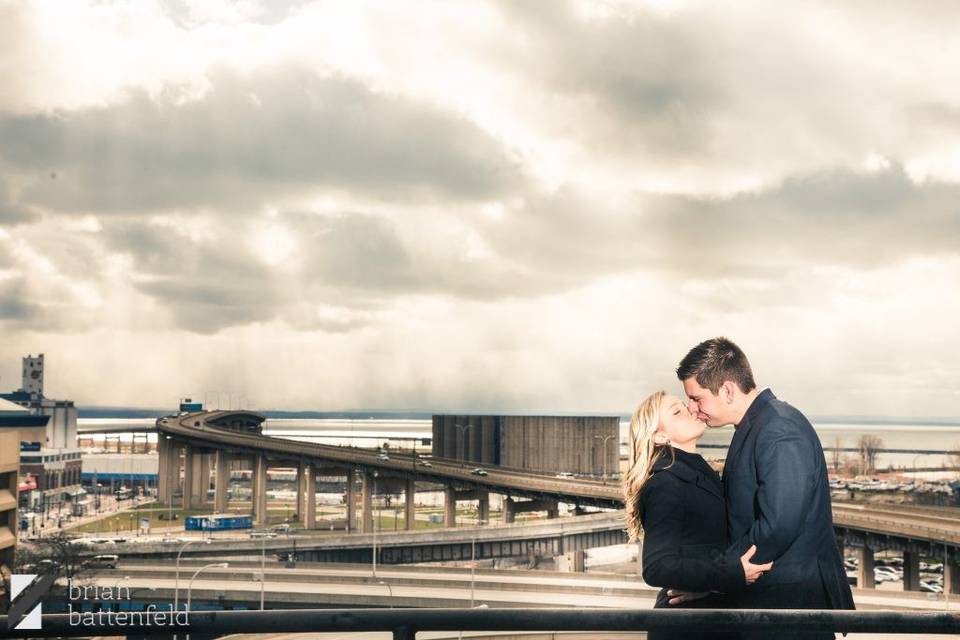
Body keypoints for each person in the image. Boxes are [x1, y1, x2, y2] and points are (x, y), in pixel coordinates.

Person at [671, 337, 855, 640]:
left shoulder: (779, 428)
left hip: (790, 609)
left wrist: (718, 577)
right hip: (775, 606)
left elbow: (779, 525)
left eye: (697, 398)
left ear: (728, 390)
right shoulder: (759, 424)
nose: (693, 408)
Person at [623, 390, 772, 640]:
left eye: (686, 405)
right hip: (685, 627)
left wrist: (709, 585)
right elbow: (657, 567)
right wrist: (732, 574)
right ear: (660, 436)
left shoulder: (697, 472)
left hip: (705, 620)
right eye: (677, 411)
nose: (691, 409)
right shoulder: (666, 483)